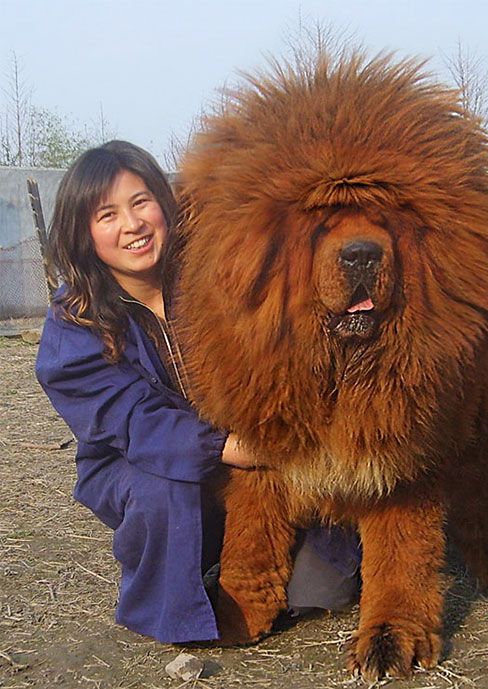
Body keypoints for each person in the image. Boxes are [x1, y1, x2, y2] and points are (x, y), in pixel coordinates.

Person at [35, 140, 360, 644]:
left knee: (325, 591)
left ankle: (287, 545)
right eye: (107, 214)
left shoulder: (211, 275)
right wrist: (230, 447)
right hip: (146, 465)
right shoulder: (74, 325)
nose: (132, 225)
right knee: (163, 486)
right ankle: (175, 600)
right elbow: (134, 422)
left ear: (164, 204)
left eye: (141, 202)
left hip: (260, 460)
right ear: (84, 233)